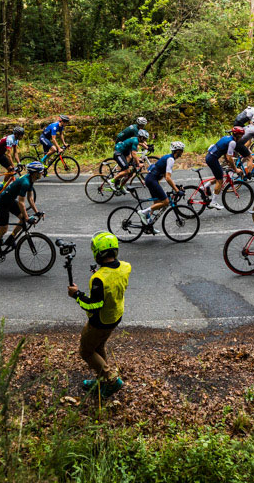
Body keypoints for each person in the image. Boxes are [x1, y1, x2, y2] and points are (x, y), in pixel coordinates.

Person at [69, 232, 130, 397]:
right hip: (115, 315)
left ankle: (111, 380)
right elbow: (113, 280)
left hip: (100, 321)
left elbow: (93, 306)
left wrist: (76, 294)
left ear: (97, 252)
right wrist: (100, 274)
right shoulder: (126, 267)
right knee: (99, 347)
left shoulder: (99, 279)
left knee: (86, 351)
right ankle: (103, 379)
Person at [0, 162, 45, 260]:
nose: (42, 173)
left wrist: (37, 212)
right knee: (3, 229)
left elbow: (30, 198)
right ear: (35, 173)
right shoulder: (26, 182)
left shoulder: (30, 179)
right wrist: (27, 217)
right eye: (41, 171)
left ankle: (11, 238)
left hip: (10, 200)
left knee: (22, 219)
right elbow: (21, 203)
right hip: (2, 203)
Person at [142, 141, 186, 220]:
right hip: (152, 180)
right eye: (182, 151)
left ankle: (148, 223)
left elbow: (165, 175)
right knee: (166, 202)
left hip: (150, 179)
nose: (182, 152)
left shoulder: (168, 157)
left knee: (157, 204)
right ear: (178, 151)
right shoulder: (171, 159)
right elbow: (168, 177)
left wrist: (175, 187)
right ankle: (143, 212)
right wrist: (177, 190)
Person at [204, 127, 249, 205]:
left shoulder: (226, 137)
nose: (242, 137)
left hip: (209, 156)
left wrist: (229, 163)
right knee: (220, 181)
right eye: (241, 135)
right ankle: (213, 202)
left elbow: (224, 151)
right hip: (213, 159)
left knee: (219, 176)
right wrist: (235, 169)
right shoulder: (233, 143)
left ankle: (205, 187)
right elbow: (229, 157)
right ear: (238, 135)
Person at [111, 128, 149, 193]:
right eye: (144, 138)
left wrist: (147, 147)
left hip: (125, 151)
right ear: (141, 137)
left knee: (130, 173)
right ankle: (112, 181)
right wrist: (138, 164)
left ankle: (120, 186)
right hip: (119, 152)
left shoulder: (136, 140)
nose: (145, 140)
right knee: (127, 170)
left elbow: (139, 146)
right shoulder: (135, 141)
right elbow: (134, 154)